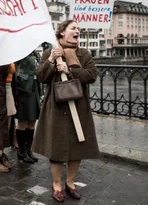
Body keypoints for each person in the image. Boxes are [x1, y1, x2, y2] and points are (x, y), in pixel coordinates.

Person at [33, 20, 99, 202]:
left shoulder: (83, 54)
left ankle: (70, 182)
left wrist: (70, 70)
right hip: (56, 107)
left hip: (79, 107)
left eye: (78, 29)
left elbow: (91, 75)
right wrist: (52, 61)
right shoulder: (49, 52)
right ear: (62, 33)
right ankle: (56, 184)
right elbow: (41, 77)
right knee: (56, 148)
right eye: (73, 28)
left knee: (77, 147)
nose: (77, 31)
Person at [15, 52, 42, 164]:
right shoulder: (20, 52)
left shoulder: (36, 54)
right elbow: (16, 69)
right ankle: (21, 151)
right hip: (24, 89)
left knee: (32, 120)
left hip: (35, 88)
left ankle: (28, 150)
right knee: (23, 120)